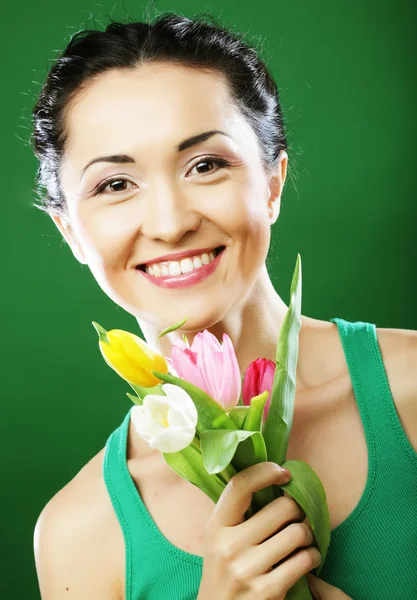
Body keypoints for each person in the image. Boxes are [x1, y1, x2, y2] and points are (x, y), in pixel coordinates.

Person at [31, 11, 417, 600]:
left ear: (272, 183)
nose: (170, 223)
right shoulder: (79, 534)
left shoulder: (411, 389)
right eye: (115, 184)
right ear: (70, 233)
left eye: (205, 165)